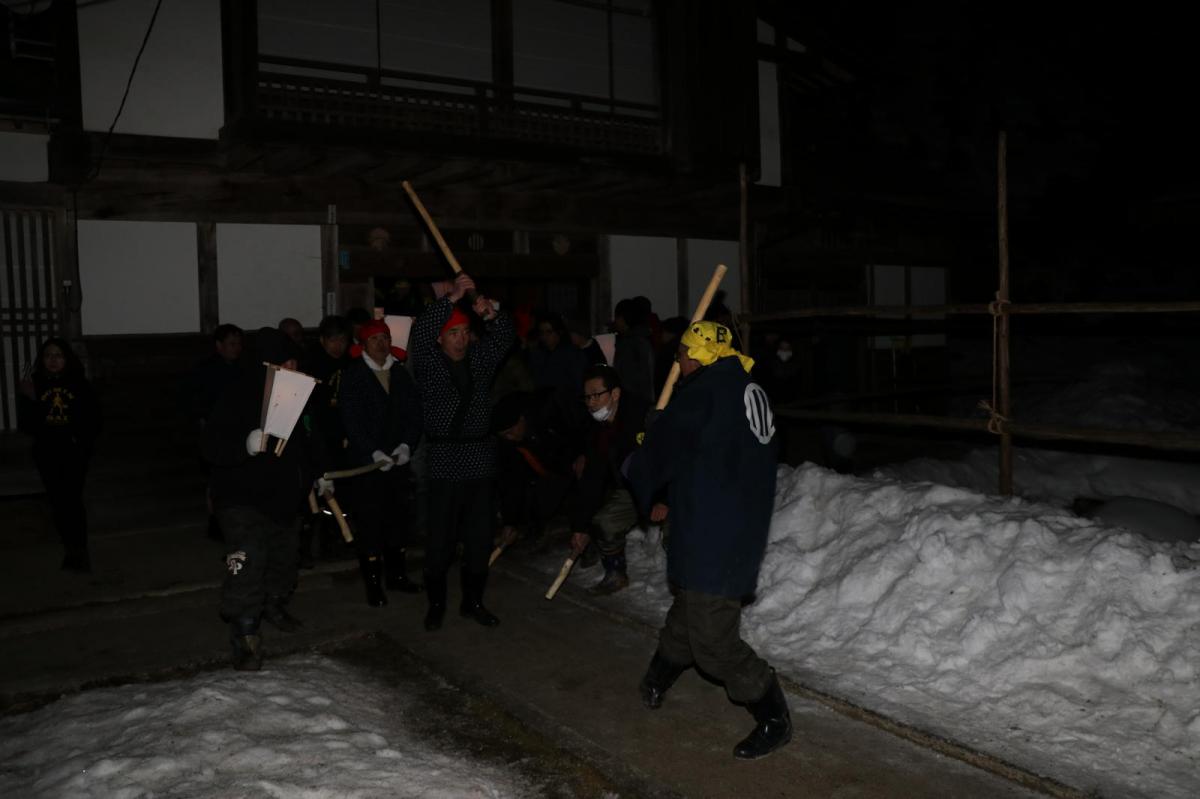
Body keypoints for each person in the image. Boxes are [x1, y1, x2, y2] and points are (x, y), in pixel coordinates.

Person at [627, 321, 791, 760]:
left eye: (681, 354)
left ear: (698, 356)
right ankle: (659, 676)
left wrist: (652, 436)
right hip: (736, 521)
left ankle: (772, 715)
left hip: (714, 529)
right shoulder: (745, 385)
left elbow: (659, 457)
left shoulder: (702, 394)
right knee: (690, 608)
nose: (677, 362)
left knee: (713, 641)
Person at [202, 328, 322, 671]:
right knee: (248, 560)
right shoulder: (237, 395)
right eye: (284, 363)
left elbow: (311, 443)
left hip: (281, 498)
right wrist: (244, 444)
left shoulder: (297, 398)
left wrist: (318, 474)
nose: (292, 368)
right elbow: (210, 446)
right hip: (240, 497)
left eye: (294, 362)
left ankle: (273, 604)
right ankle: (246, 635)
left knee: (284, 559)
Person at [411, 273, 515, 631]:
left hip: (480, 462)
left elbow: (505, 336)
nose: (459, 339)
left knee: (479, 539)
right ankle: (436, 604)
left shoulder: (480, 361)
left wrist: (490, 313)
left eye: (464, 332)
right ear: (441, 338)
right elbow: (421, 332)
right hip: (443, 462)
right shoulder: (428, 363)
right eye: (453, 333)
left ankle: (473, 602)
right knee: (440, 541)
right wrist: (452, 298)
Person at [338, 319, 424, 606]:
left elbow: (414, 413)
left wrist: (406, 445)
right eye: (374, 339)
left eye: (385, 338)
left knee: (398, 520)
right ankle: (373, 584)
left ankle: (397, 575)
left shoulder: (400, 373)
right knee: (371, 523)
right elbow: (351, 420)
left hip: (398, 463)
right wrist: (372, 452)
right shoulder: (354, 375)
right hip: (368, 466)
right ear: (364, 344)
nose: (381, 344)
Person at [567, 364, 658, 595]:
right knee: (604, 521)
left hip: (662, 486)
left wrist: (662, 499)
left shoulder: (644, 416)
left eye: (596, 395)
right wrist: (580, 526)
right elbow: (592, 477)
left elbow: (666, 461)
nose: (591, 403)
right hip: (630, 488)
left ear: (615, 393)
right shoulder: (598, 427)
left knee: (676, 538)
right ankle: (615, 573)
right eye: (587, 397)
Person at [17, 338, 102, 573]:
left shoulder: (79, 384)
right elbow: (27, 423)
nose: (53, 360)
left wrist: (80, 441)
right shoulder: (34, 384)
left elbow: (93, 419)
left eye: (58, 355)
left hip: (73, 451)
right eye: (48, 356)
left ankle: (79, 551)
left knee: (72, 499)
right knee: (57, 501)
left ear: (66, 359)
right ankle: (69, 549)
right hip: (47, 451)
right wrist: (31, 399)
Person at [299, 315, 352, 566]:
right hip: (315, 438)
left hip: (342, 438)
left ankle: (335, 541)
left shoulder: (350, 363)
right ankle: (304, 547)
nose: (338, 345)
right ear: (322, 340)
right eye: (333, 340)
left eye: (342, 340)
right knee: (311, 496)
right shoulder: (310, 365)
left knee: (340, 494)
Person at [492, 389, 574, 547]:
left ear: (521, 419)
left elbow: (571, 442)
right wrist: (510, 522)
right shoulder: (508, 444)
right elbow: (511, 482)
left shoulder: (548, 416)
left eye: (510, 432)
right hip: (543, 474)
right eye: (504, 436)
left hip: (568, 463)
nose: (509, 438)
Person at [612, 298, 655, 404]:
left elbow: (627, 378)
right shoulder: (644, 338)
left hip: (634, 401)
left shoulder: (629, 343)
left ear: (622, 319)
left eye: (616, 318)